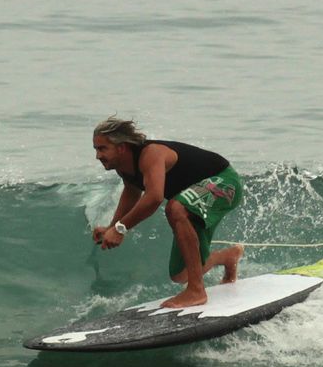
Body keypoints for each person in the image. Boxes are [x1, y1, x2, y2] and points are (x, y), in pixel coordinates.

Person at [90, 116, 244, 309]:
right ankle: (227, 257)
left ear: (121, 147)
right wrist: (112, 227)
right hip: (193, 200)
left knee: (175, 208)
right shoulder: (123, 166)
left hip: (225, 182)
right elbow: (132, 192)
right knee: (180, 274)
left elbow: (154, 197)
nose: (98, 156)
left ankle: (197, 290)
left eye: (102, 149)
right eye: (96, 149)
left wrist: (120, 229)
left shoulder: (151, 154)